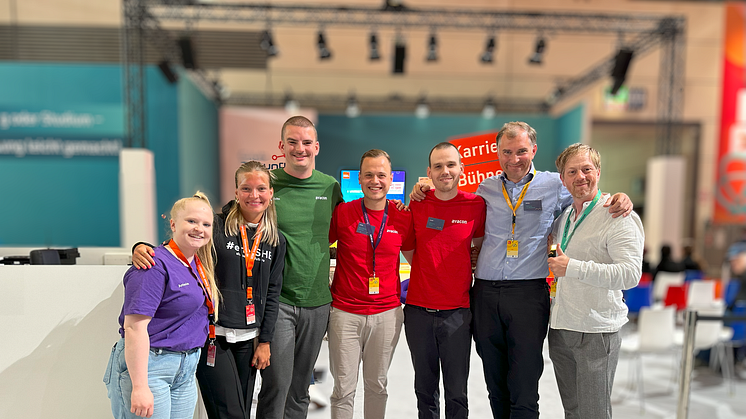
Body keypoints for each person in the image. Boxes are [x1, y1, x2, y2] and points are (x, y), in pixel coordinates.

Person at [411, 121, 632, 419]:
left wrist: (618, 196)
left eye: (522, 151)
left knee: (525, 385)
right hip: (486, 295)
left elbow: (588, 197)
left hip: (529, 295)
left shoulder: (555, 184)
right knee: (495, 384)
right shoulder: (485, 189)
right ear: (497, 153)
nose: (514, 159)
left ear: (534, 150)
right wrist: (422, 186)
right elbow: (448, 196)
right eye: (507, 152)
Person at [132, 162, 287, 419]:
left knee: (242, 411)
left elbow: (273, 291)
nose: (254, 195)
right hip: (213, 336)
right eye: (246, 188)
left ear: (271, 193)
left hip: (249, 338)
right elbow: (180, 244)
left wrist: (266, 340)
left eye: (261, 189)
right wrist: (140, 247)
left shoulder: (275, 239)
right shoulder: (215, 225)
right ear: (236, 193)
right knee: (230, 413)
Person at [546, 143, 643, 419]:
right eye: (572, 171)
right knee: (573, 411)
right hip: (562, 327)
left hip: (595, 331)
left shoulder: (618, 216)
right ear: (563, 179)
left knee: (594, 413)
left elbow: (630, 274)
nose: (581, 177)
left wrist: (573, 267)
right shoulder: (564, 218)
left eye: (587, 169)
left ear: (598, 172)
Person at [105, 192, 219, 419]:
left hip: (185, 368)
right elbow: (135, 328)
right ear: (173, 224)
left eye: (206, 224)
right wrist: (140, 386)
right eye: (192, 221)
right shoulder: (153, 265)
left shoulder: (197, 263)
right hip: (150, 367)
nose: (199, 229)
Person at [259, 116, 344, 419]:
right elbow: (228, 223)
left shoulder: (330, 187)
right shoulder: (267, 186)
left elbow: (343, 230)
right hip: (278, 301)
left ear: (316, 147)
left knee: (300, 390)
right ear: (281, 147)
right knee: (275, 386)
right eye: (292, 142)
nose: (300, 148)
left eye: (306, 142)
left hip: (318, 303)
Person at [328, 149, 414, 419]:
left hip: (387, 314)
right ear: (359, 179)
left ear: (390, 180)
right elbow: (317, 249)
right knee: (343, 388)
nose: (374, 180)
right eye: (368, 175)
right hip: (345, 313)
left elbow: (416, 260)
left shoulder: (403, 217)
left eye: (381, 175)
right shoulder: (343, 213)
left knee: (377, 386)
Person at [402, 142, 485, 419]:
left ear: (461, 168)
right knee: (425, 392)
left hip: (457, 315)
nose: (445, 171)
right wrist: (431, 271)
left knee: (457, 393)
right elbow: (410, 249)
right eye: (438, 166)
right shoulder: (418, 203)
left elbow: (481, 246)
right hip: (418, 313)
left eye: (450, 164)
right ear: (429, 172)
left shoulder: (475, 205)